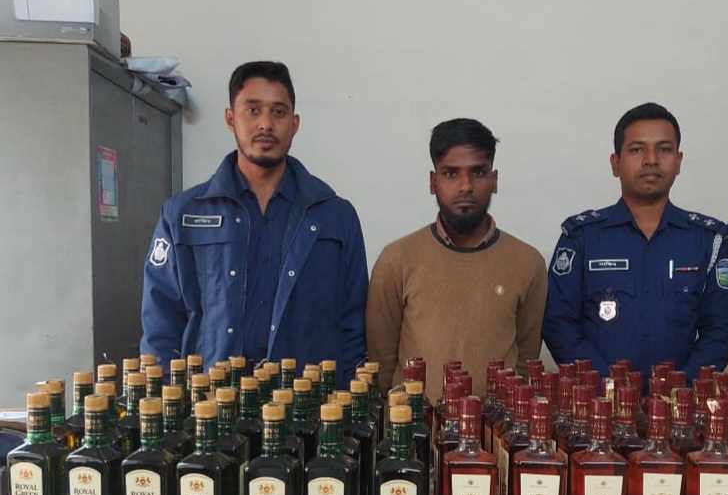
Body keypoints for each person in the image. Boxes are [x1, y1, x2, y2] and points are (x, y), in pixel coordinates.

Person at [140, 61, 367, 386]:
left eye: (278, 112)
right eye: (252, 110)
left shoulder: (334, 216)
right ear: (230, 118)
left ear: (295, 123)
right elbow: (160, 325)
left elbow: (353, 326)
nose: (266, 124)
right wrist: (169, 402)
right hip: (213, 403)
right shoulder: (182, 216)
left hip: (306, 402)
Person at [543, 103, 728, 382]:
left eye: (664, 149)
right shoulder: (581, 238)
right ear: (615, 163)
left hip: (683, 400)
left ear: (678, 161)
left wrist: (678, 390)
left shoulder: (709, 240)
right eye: (637, 150)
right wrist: (608, 387)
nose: (651, 160)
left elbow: (721, 330)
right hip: (597, 400)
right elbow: (559, 325)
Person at [365, 118, 547, 401]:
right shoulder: (396, 260)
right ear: (432, 182)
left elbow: (526, 361)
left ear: (494, 180)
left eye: (478, 172)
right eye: (451, 173)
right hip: (416, 425)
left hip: (498, 426)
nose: (465, 186)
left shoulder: (528, 263)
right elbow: (381, 367)